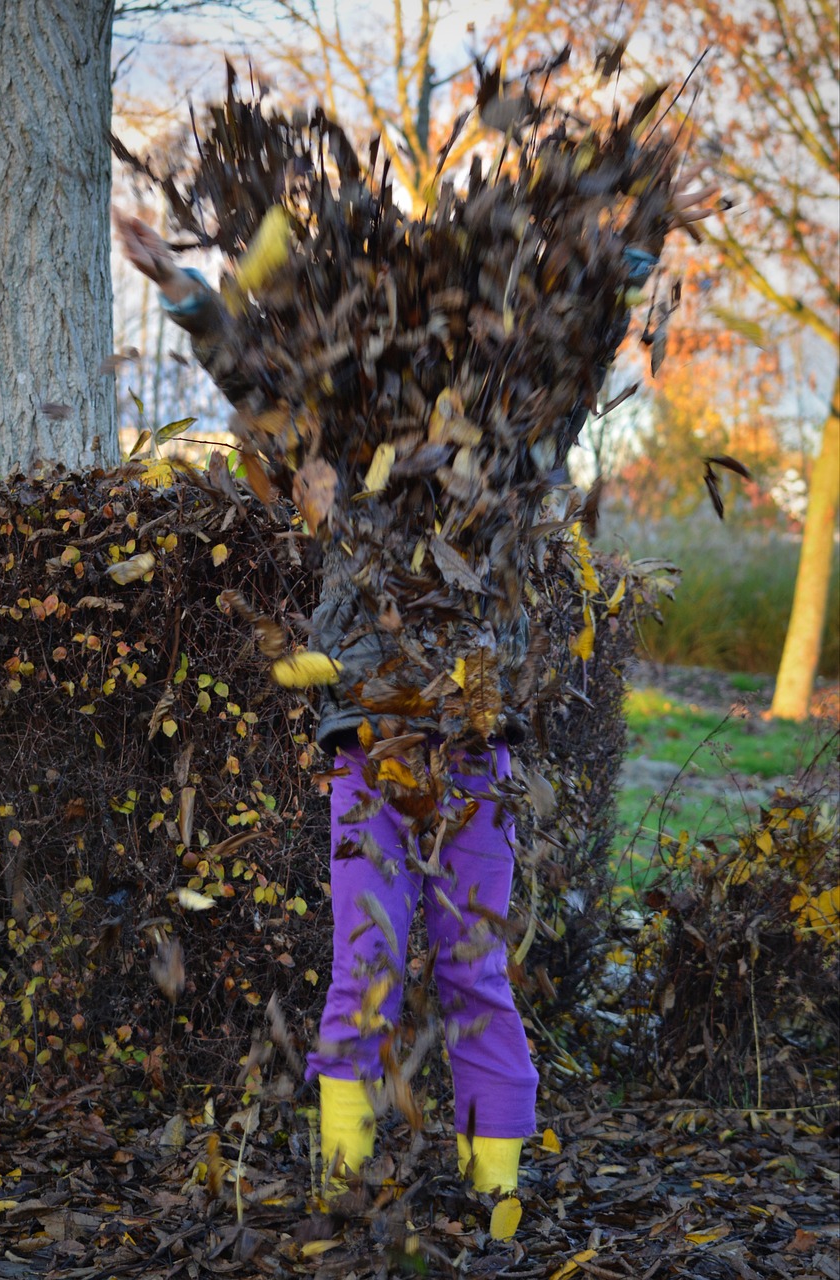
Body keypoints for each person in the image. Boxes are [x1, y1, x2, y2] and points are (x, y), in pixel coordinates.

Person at [115, 167, 714, 1219]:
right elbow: (250, 378)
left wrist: (642, 227)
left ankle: (499, 1201)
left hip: (474, 755)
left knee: (477, 974)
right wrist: (178, 285)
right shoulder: (340, 450)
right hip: (367, 749)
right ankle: (342, 1189)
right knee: (366, 972)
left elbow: (578, 349)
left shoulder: (513, 446)